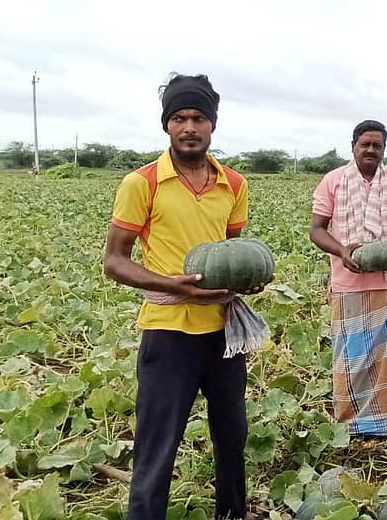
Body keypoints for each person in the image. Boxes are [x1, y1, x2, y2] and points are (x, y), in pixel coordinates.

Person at [103, 73, 264, 520]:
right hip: (168, 330)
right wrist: (172, 284)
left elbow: (232, 252)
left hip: (223, 331)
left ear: (212, 124)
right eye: (179, 118)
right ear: (166, 125)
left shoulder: (233, 183)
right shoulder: (143, 183)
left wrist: (246, 280)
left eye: (198, 118)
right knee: (158, 440)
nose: (189, 127)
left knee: (232, 433)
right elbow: (114, 261)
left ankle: (231, 512)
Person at [309, 119, 387, 437]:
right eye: (365, 144)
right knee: (352, 355)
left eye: (377, 145)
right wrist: (342, 250)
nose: (371, 149)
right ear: (353, 145)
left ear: (384, 149)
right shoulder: (333, 181)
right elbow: (316, 229)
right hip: (349, 282)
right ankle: (353, 423)